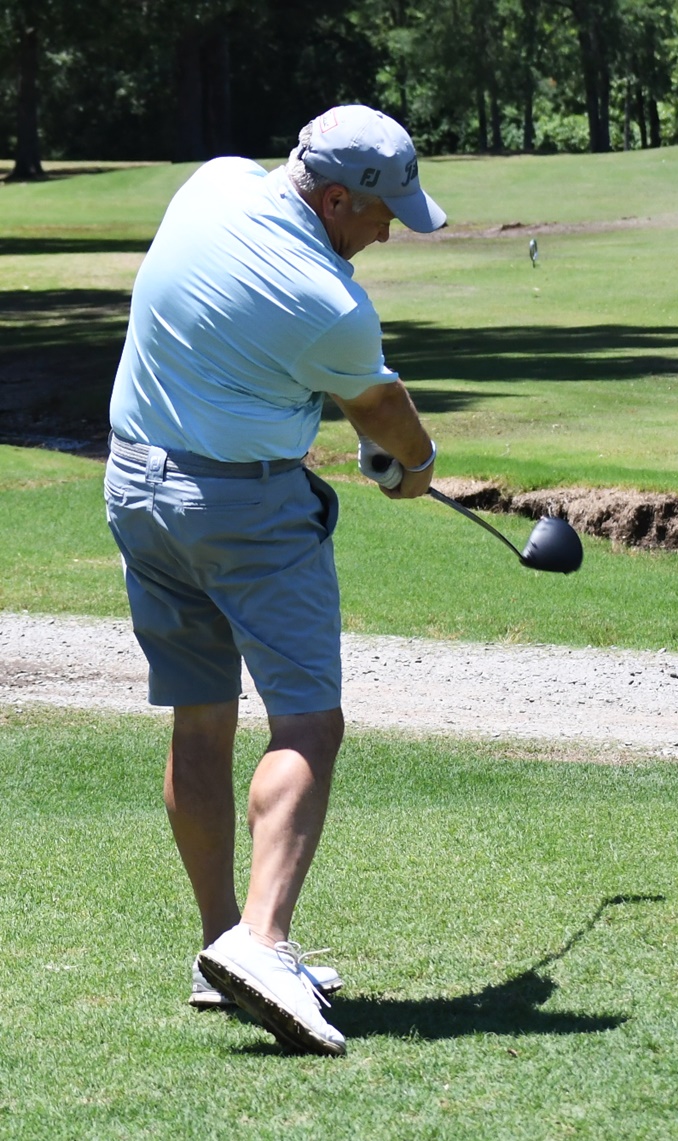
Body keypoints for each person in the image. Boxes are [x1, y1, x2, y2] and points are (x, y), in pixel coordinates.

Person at [104, 105, 444, 1056]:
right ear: (334, 199)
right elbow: (384, 411)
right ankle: (262, 941)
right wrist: (416, 466)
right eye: (380, 213)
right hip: (243, 512)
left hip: (137, 488)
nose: (388, 233)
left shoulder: (212, 182)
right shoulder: (328, 303)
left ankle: (220, 943)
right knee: (307, 723)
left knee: (201, 719)